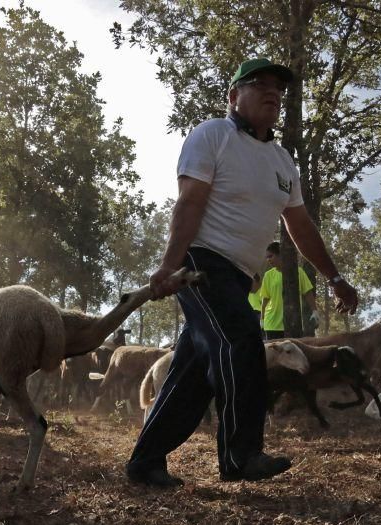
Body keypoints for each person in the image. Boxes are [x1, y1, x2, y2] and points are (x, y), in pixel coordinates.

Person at [126, 58, 358, 488]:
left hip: (238, 275)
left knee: (193, 375)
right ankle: (241, 454)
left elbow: (300, 226)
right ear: (233, 95)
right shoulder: (212, 135)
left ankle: (145, 462)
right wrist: (169, 264)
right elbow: (190, 201)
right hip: (201, 264)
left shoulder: (283, 162)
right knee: (243, 340)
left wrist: (334, 277)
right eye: (259, 84)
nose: (273, 92)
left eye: (278, 88)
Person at [260, 242, 319, 339]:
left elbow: (308, 292)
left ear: (280, 255)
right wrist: (262, 318)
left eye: (271, 256)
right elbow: (265, 299)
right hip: (272, 324)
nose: (268, 260)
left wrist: (315, 311)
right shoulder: (268, 275)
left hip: (293, 323)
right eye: (267, 257)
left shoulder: (298, 271)